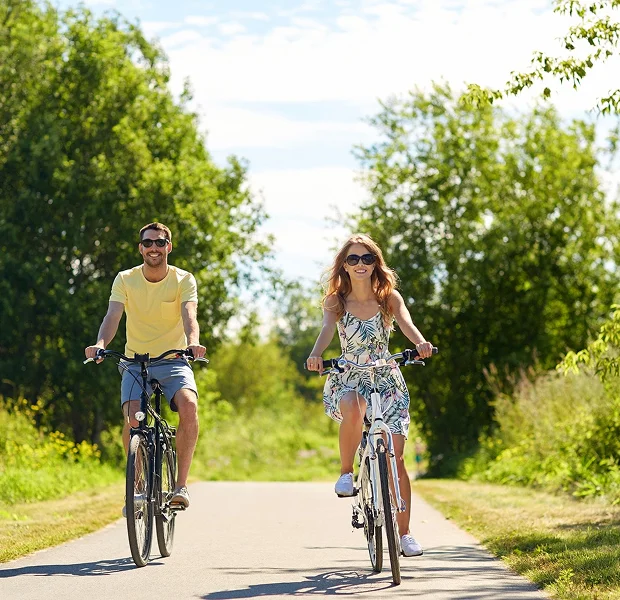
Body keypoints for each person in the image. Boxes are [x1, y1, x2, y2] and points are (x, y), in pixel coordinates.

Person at [306, 233, 433, 558]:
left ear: (376, 263)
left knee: (397, 458)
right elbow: (326, 331)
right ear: (344, 266)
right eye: (353, 259)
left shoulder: (388, 298)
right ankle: (347, 474)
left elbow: (406, 323)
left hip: (386, 377)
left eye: (367, 258)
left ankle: (404, 534)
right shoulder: (336, 300)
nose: (360, 264)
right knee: (354, 404)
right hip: (349, 375)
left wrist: (420, 343)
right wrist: (316, 355)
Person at [85, 222, 206, 511]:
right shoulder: (125, 279)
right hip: (134, 362)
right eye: (148, 243)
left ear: (169, 246)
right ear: (140, 248)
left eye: (160, 243)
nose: (154, 248)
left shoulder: (183, 279)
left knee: (189, 406)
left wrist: (193, 341)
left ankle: (180, 487)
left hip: (173, 360)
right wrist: (100, 343)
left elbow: (190, 314)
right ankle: (138, 489)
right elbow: (113, 315)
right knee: (133, 418)